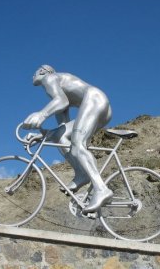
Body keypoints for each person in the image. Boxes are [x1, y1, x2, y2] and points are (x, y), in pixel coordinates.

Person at [23, 65, 113, 214]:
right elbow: (62, 130)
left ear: (42, 71)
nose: (32, 76)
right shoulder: (59, 90)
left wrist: (41, 114)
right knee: (61, 138)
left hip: (95, 99)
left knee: (78, 145)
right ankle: (82, 174)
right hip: (99, 105)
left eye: (35, 73)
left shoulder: (50, 78)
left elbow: (61, 101)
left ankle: (101, 189)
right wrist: (43, 136)